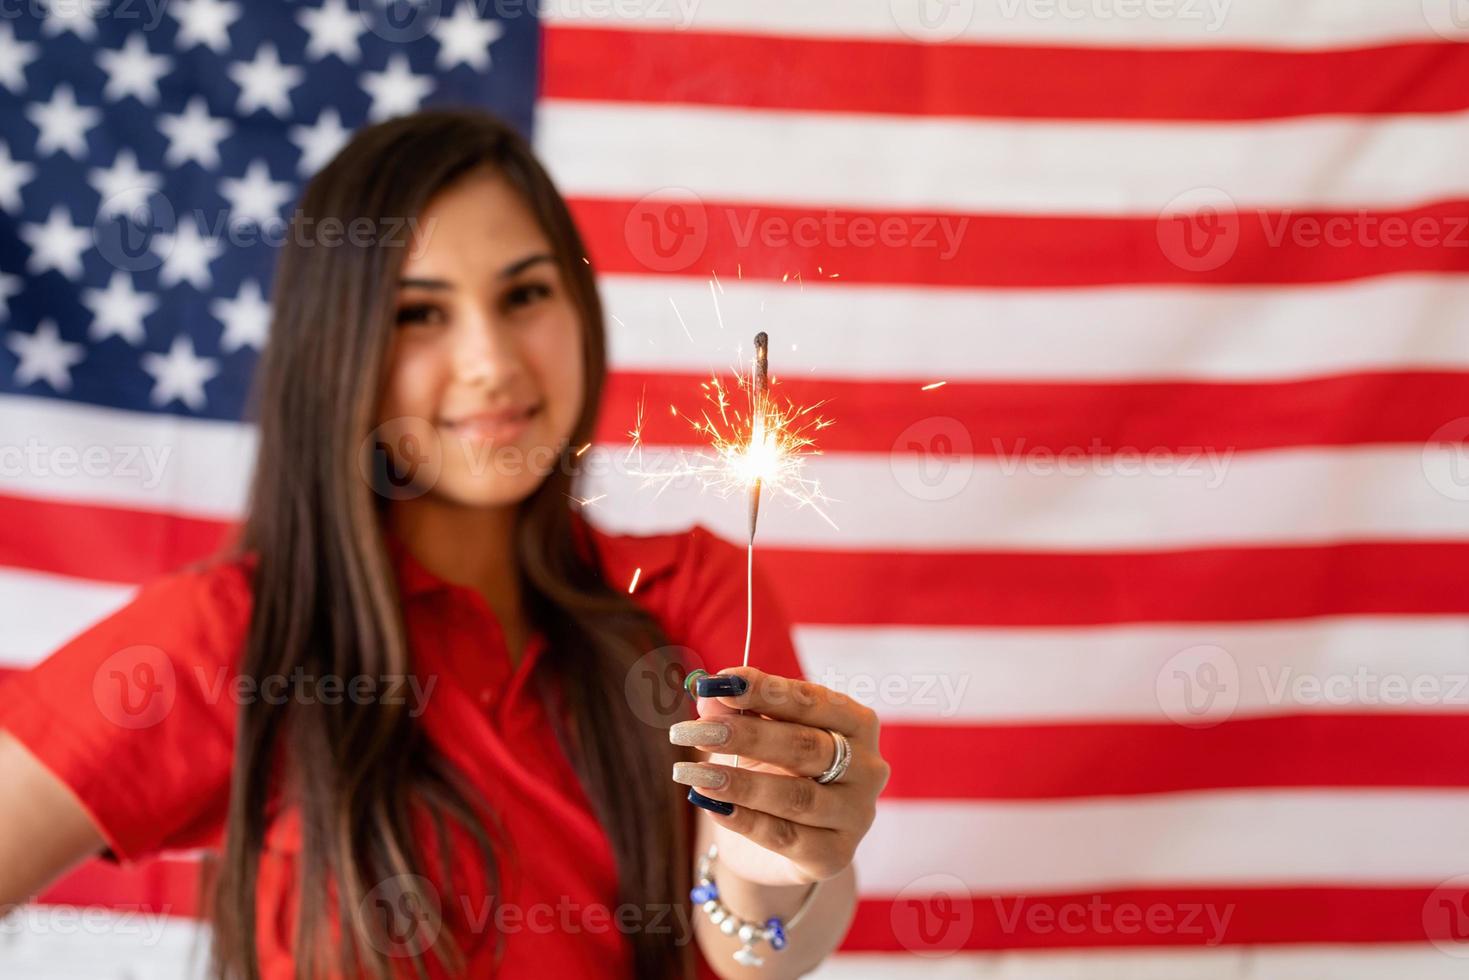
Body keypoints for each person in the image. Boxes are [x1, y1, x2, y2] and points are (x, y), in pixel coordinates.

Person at [0, 109, 888, 979]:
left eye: (525, 294)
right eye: (420, 313)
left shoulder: (688, 594)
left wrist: (772, 861)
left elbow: (751, 954)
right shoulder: (231, 635)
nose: (491, 361)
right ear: (340, 350)